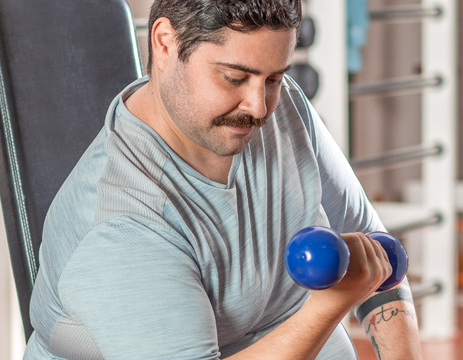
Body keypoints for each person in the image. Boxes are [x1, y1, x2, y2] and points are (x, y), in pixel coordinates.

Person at [25, 0, 421, 358]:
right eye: (234, 78)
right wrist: (327, 305)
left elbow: (373, 244)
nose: (259, 106)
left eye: (274, 79)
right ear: (165, 43)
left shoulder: (283, 111)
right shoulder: (122, 222)